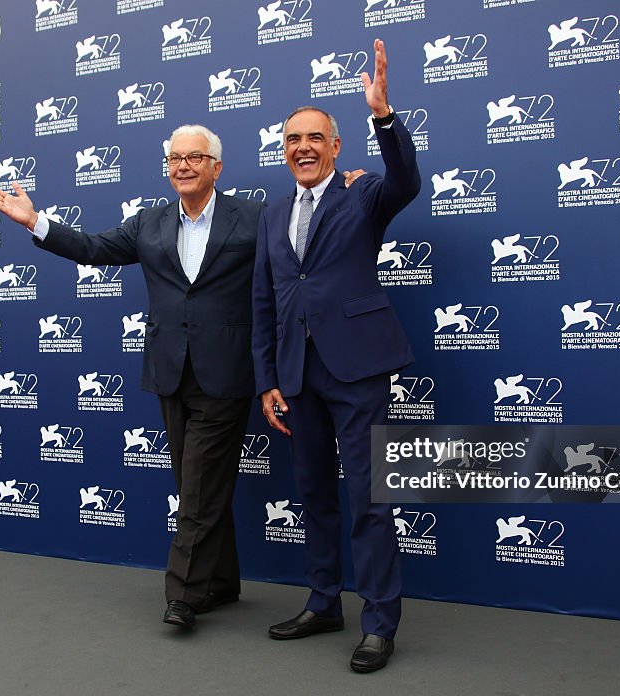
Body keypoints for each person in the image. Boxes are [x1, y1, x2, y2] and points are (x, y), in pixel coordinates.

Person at [0, 125, 261, 630]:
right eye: (174, 158)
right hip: (169, 372)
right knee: (196, 483)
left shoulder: (253, 217)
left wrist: (346, 188)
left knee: (197, 489)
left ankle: (182, 595)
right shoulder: (149, 222)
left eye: (194, 158)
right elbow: (92, 248)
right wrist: (36, 222)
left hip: (227, 371)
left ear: (216, 168)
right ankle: (221, 582)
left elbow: (294, 250)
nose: (182, 166)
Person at [251, 39, 421, 673]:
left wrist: (383, 114)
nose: (303, 148)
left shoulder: (364, 195)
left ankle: (380, 621)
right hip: (296, 374)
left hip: (357, 370)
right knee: (313, 492)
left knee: (369, 498)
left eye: (314, 138)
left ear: (336, 146)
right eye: (293, 139)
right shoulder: (271, 214)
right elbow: (265, 300)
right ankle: (324, 602)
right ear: (284, 148)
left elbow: (408, 179)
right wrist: (267, 378)